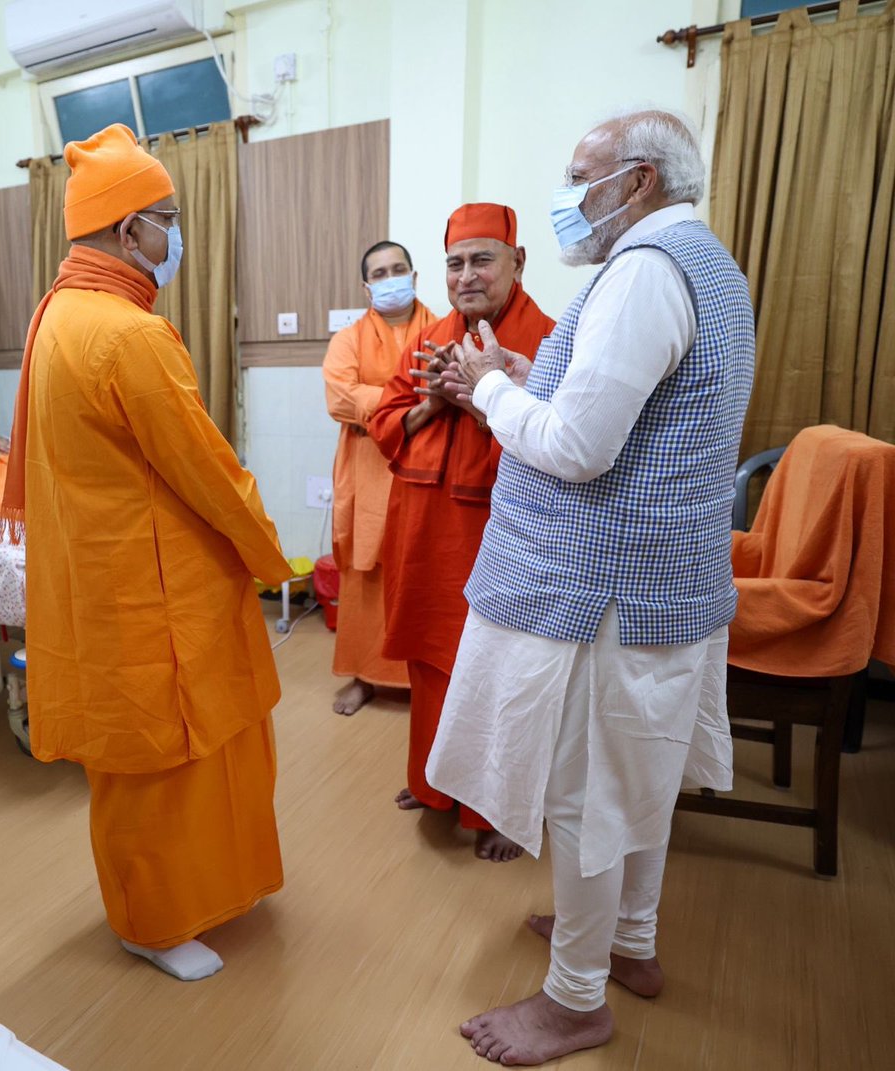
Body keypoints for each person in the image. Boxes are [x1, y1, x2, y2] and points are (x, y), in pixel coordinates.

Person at [427, 111, 754, 1065]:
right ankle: (631, 945)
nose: (569, 196)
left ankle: (577, 1001)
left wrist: (489, 386)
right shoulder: (705, 263)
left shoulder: (644, 272)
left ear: (638, 180)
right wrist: (534, 372)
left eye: (580, 178)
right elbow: (638, 404)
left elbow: (575, 447)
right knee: (636, 782)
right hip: (671, 578)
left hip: (608, 590)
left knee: (588, 795)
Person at [0, 124, 291, 982]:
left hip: (117, 582)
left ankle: (205, 893)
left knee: (181, 760)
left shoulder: (58, 314)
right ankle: (153, 921)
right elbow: (208, 470)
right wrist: (272, 553)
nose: (176, 239)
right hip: (153, 593)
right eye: (170, 219)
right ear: (130, 232)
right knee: (163, 767)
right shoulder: (126, 333)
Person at [368, 204, 554, 860]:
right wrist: (432, 403)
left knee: (500, 672)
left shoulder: (547, 339)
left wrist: (483, 401)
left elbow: (558, 450)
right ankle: (433, 782)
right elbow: (385, 421)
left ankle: (500, 810)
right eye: (455, 262)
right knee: (429, 662)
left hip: (497, 537)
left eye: (482, 259)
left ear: (517, 262)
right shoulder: (432, 336)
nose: (466, 275)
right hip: (423, 531)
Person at [322, 240, 433, 716]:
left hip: (427, 469)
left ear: (414, 274)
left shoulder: (444, 330)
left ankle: (424, 681)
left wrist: (374, 404)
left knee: (424, 571)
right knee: (363, 574)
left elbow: (451, 384)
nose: (391, 279)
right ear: (367, 286)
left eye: (399, 269)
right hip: (367, 473)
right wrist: (412, 404)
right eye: (380, 273)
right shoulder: (348, 339)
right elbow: (338, 397)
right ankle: (364, 676)